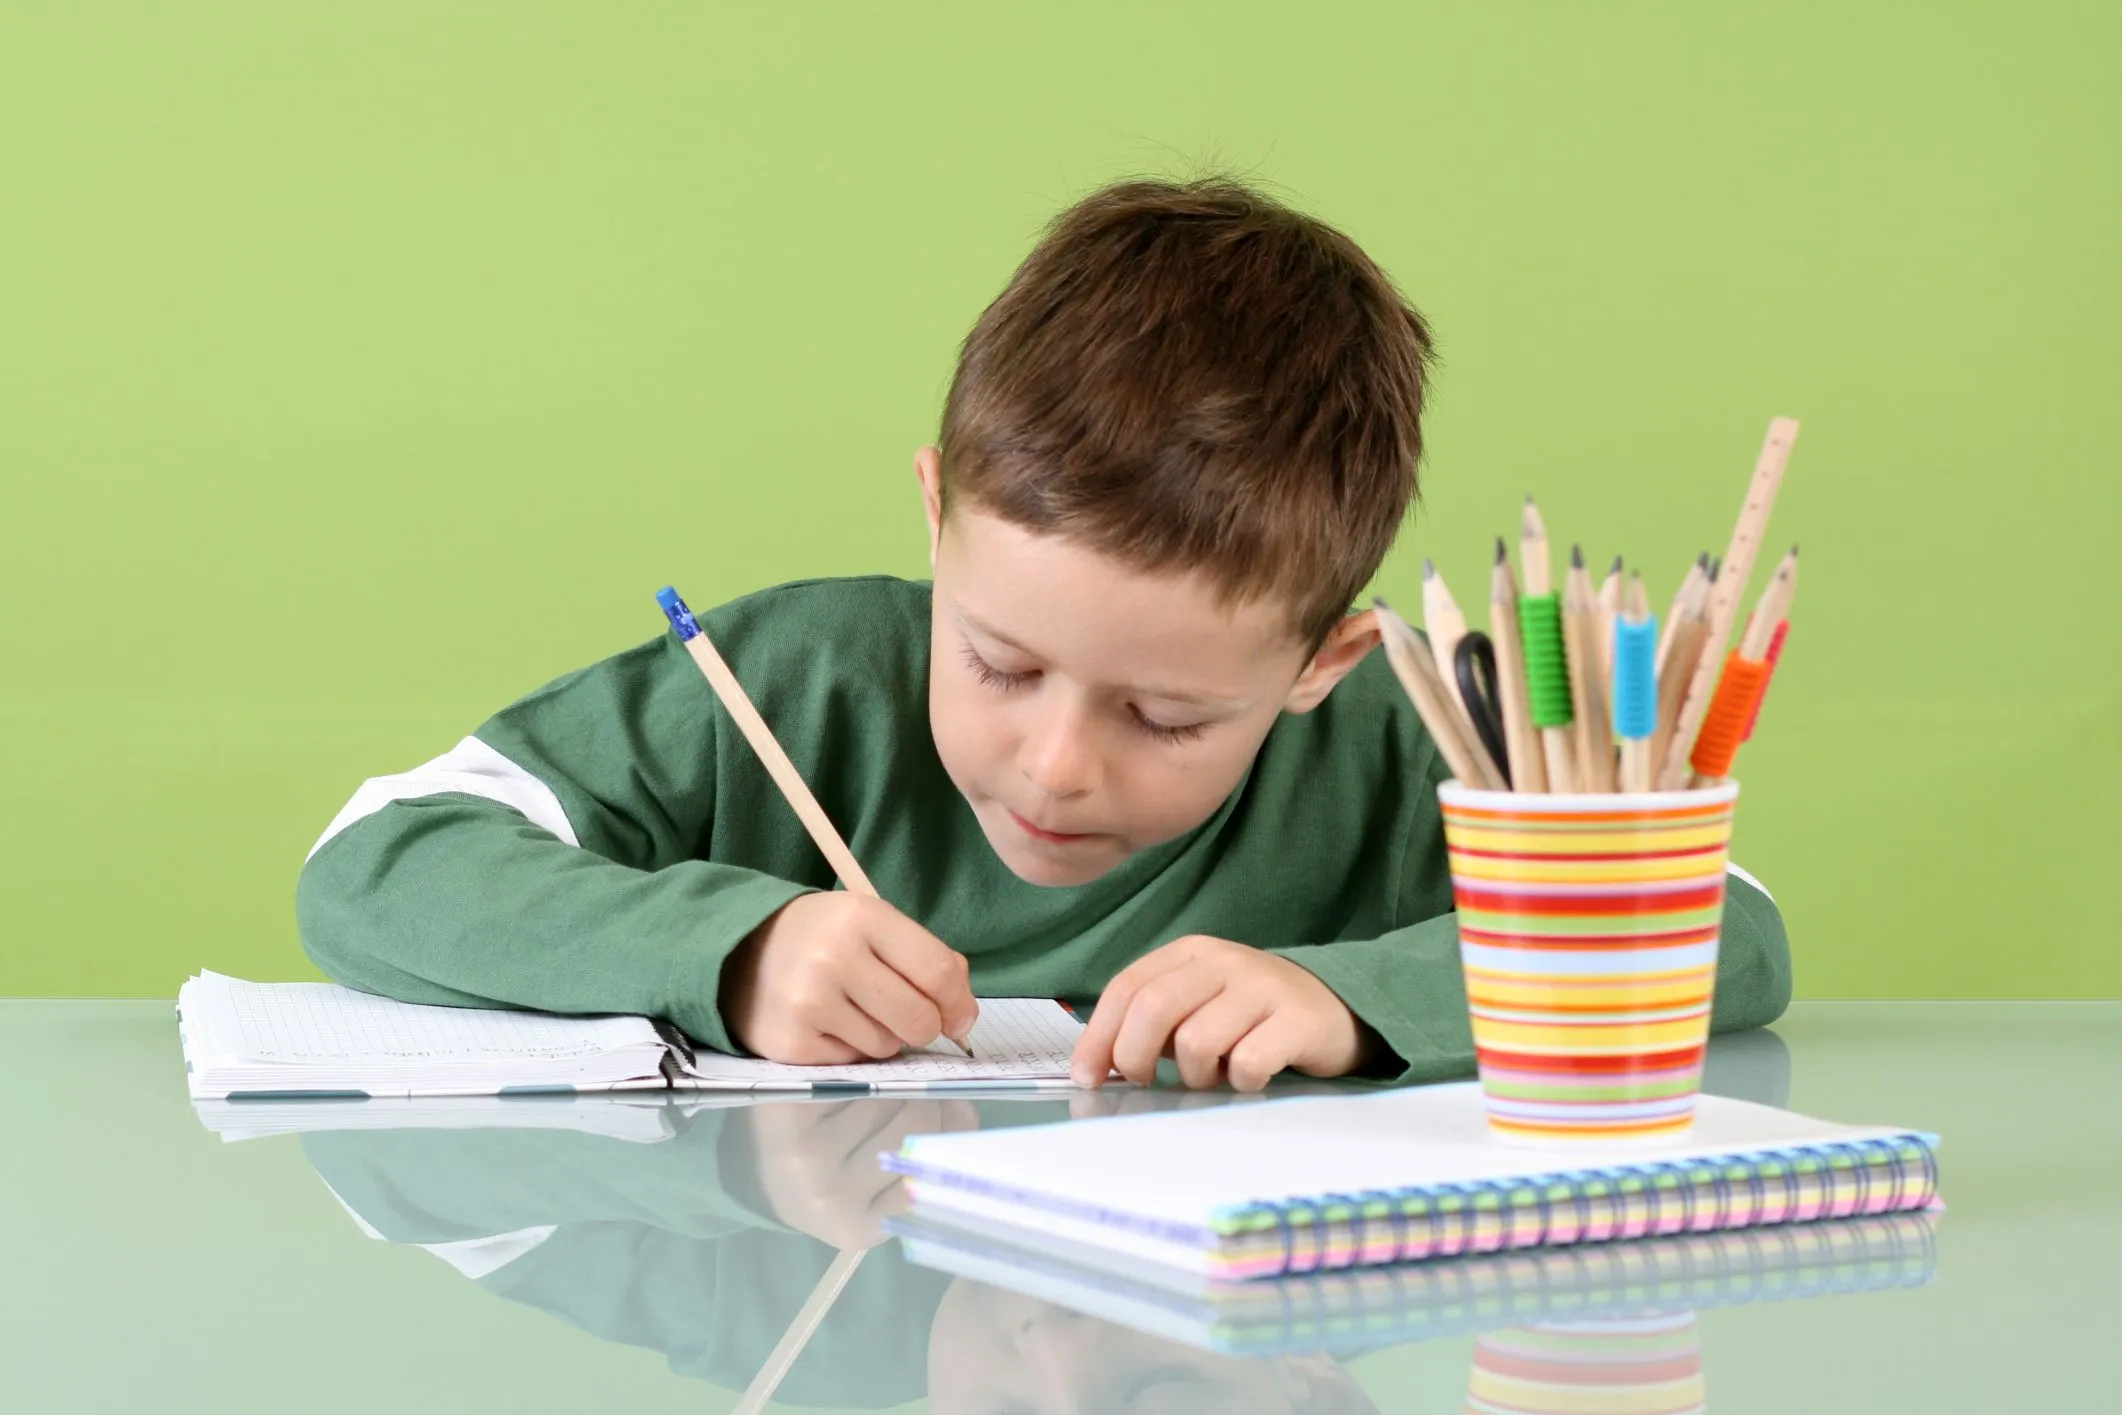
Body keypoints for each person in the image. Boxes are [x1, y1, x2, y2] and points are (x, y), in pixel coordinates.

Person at [297, 176, 1791, 1090]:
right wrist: (729, 947)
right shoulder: (792, 676)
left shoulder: (1399, 751)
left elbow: (1724, 922)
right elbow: (378, 859)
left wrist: (1354, 1000)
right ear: (936, 521)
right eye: (998, 662)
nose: (1056, 762)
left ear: (1322, 660)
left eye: (1166, 716)